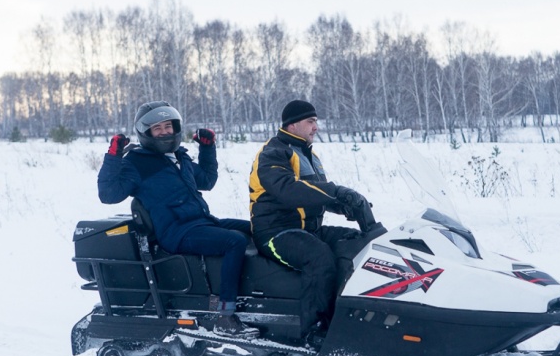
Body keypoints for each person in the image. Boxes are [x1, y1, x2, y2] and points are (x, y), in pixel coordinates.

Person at [98, 100, 256, 338]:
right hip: (176, 231)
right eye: (157, 128)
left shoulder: (179, 158)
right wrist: (113, 156)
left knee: (255, 229)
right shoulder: (137, 163)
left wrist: (207, 147)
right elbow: (108, 194)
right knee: (234, 241)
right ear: (147, 133)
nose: (164, 132)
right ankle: (225, 315)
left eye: (168, 126)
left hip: (201, 221)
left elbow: (207, 180)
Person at [248, 100, 368, 334]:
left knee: (358, 242)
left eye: (315, 121)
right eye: (310, 122)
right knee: (319, 257)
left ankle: (353, 318)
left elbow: (315, 194)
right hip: (276, 233)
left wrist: (345, 206)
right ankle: (315, 331)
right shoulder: (273, 153)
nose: (316, 127)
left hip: (308, 230)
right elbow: (287, 190)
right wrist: (336, 191)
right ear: (292, 125)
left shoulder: (308, 155)